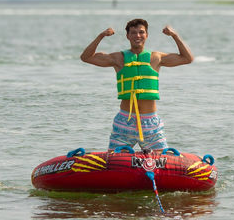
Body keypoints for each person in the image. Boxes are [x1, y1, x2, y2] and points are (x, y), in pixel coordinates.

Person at [80, 18, 194, 151]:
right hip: (125, 122)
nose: (137, 36)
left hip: (150, 124)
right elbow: (86, 57)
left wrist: (175, 35)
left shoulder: (156, 58)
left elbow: (187, 58)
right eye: (133, 33)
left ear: (147, 35)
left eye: (141, 32)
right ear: (127, 36)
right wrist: (101, 36)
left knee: (161, 162)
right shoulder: (118, 58)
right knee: (116, 164)